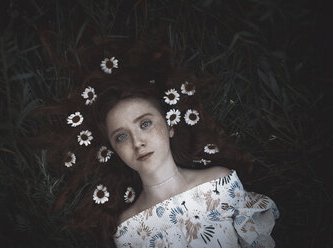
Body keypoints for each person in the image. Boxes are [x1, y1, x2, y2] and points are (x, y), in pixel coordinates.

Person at [30, 34, 279, 247]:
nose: (137, 142)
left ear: (170, 125)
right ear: (114, 150)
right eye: (121, 136)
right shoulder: (128, 231)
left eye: (145, 124)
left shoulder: (220, 184)